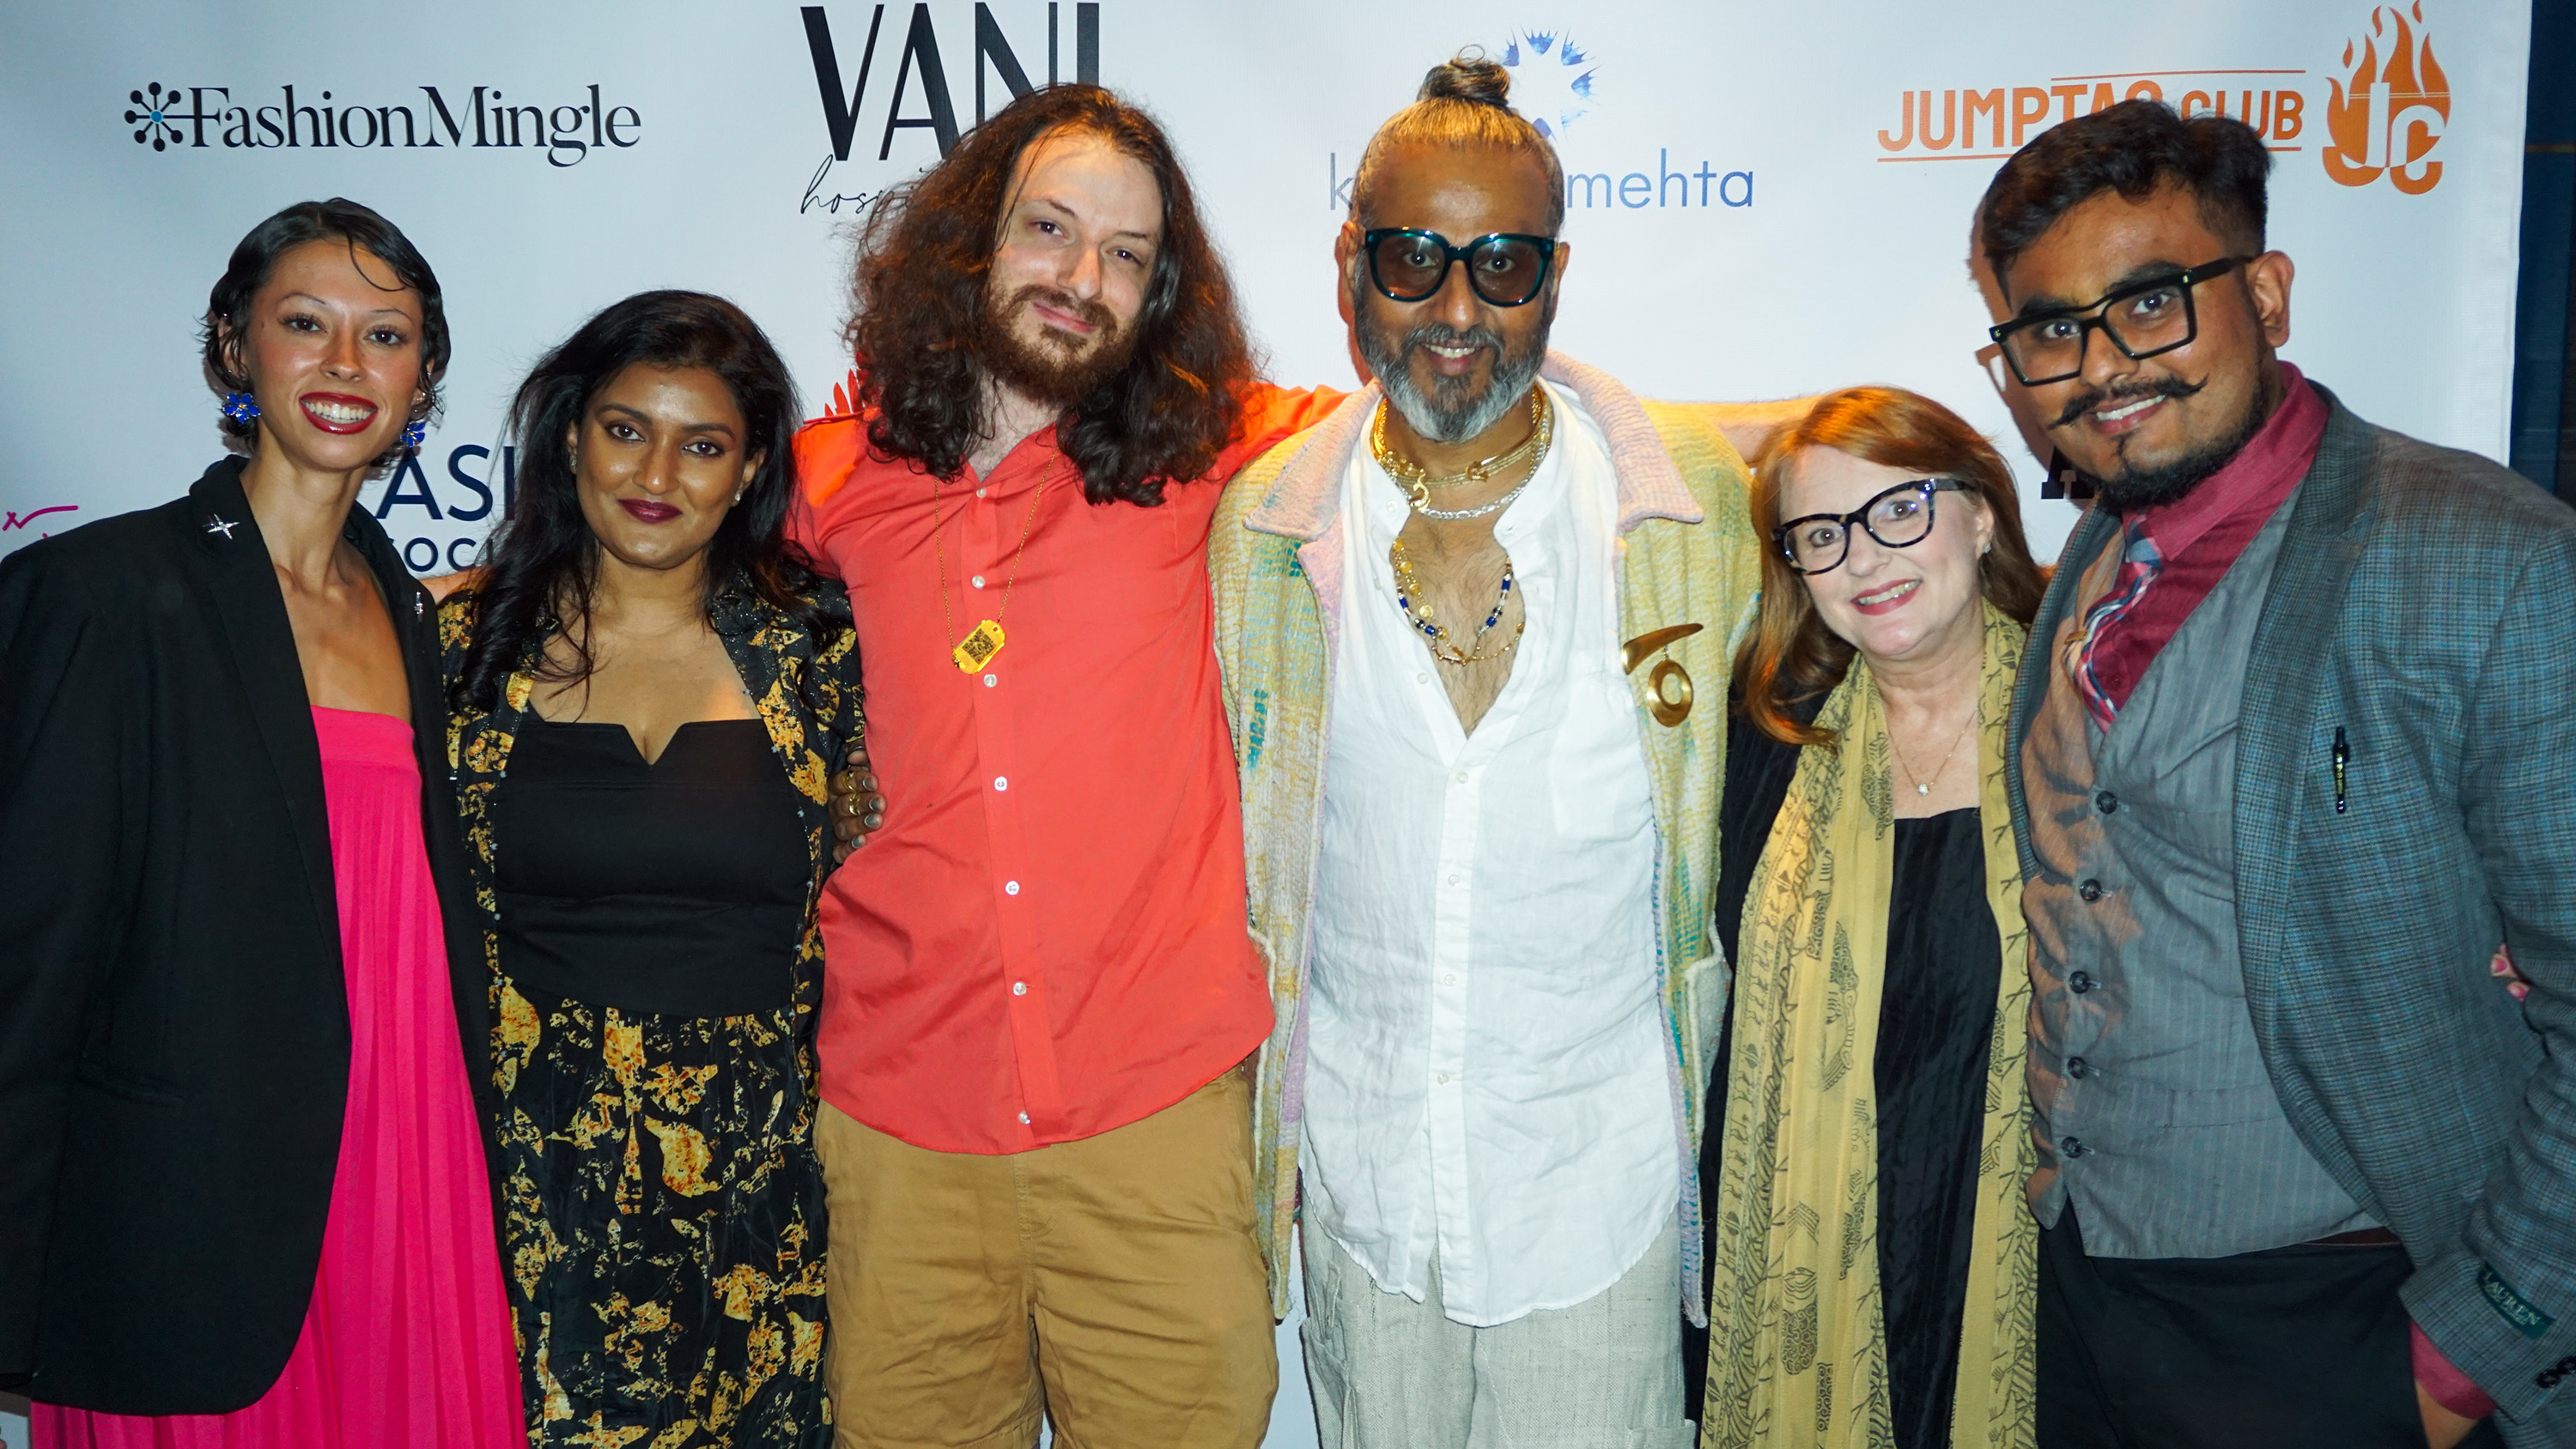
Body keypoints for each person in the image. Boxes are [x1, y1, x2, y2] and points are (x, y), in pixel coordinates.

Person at [1977, 100, 2575, 1448]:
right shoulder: (2090, 557)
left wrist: (2474, 1347)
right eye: (2051, 331)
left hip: (2352, 1315)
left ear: (2267, 291)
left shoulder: (2487, 561)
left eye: (2152, 303)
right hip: (2091, 1297)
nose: (2102, 366)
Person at [1211, 57, 1765, 1448]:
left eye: (1503, 265)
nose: (1458, 312)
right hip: (1362, 1188)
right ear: (1352, 268)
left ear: (1556, 276)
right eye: (1414, 259)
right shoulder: (1263, 536)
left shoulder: (1689, 503)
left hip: (1601, 1187)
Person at [787, 83, 1348, 1448]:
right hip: (901, 1129)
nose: (1081, 279)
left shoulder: (1218, 452)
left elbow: (1464, 424)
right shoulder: (822, 485)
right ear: (974, 239)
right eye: (1051, 228)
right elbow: (618, 562)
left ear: (1160, 294)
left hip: (1151, 1121)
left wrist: (1812, 448)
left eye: (1126, 255)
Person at [0, 199, 521, 1445]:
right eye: (306, 324)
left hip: (411, 1166)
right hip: (193, 1205)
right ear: (235, 347)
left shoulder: (419, 619)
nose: (347, 366)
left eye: (386, 336)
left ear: (426, 377)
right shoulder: (100, 594)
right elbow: (26, 962)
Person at [440, 292, 860, 1447]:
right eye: (627, 429)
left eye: (703, 442)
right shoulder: (461, 652)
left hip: (760, 1187)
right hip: (526, 1180)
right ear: (570, 435)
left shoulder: (821, 654)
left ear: (751, 465)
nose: (657, 471)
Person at [1681, 387, 2046, 1448]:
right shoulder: (1766, 746)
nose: (1865, 559)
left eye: (1901, 509)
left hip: (2019, 1255)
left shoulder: (2084, 722)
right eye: (1822, 535)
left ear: (1980, 514)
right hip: (1814, 1254)